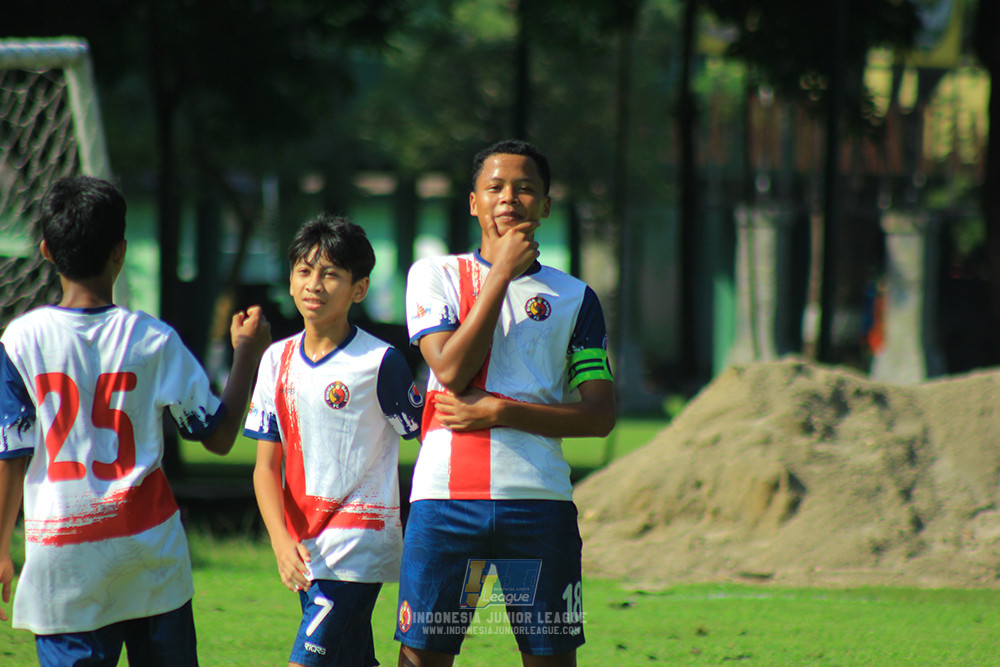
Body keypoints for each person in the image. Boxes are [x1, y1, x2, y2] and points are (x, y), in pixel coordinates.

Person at [0, 175, 271, 666]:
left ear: (46, 251)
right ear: (120, 252)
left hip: (64, 564)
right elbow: (218, 436)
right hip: (151, 559)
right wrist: (247, 354)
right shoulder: (153, 339)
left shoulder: (21, 341)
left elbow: (11, 455)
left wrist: (1, 546)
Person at [395, 140, 616, 667]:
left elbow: (600, 415)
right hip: (444, 501)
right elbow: (450, 369)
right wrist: (499, 273)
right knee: (422, 656)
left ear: (546, 204)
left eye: (525, 188)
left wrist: (502, 412)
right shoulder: (434, 275)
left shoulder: (575, 298)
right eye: (494, 187)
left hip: (539, 503)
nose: (509, 198)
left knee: (549, 657)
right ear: (474, 202)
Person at [244, 214, 422, 667]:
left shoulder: (380, 362)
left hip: (359, 539)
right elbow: (265, 467)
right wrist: (280, 542)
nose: (314, 285)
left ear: (358, 289)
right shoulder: (275, 360)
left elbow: (427, 440)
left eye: (330, 274)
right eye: (304, 271)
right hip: (304, 544)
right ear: (290, 280)